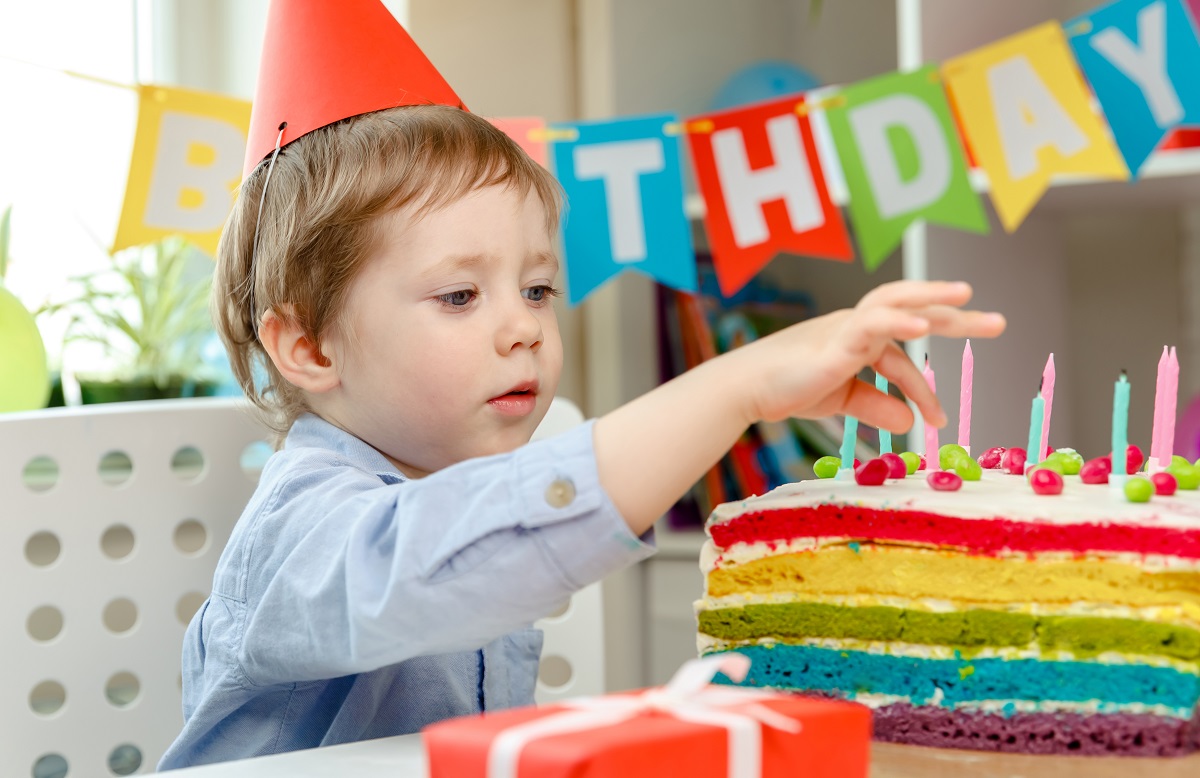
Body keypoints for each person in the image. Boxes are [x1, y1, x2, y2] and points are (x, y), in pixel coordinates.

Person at [157, 101, 1004, 770]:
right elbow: (435, 562)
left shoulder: (455, 468)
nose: (524, 329)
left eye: (537, 289)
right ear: (309, 347)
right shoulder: (300, 531)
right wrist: (734, 385)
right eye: (459, 297)